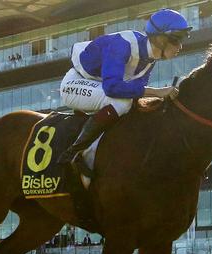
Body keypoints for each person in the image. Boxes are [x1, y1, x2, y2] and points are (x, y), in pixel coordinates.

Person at [58, 8, 191, 163]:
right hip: (75, 83)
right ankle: (73, 152)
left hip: (98, 85)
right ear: (161, 39)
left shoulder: (150, 60)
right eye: (176, 40)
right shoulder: (122, 45)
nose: (180, 47)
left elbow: (135, 93)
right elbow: (112, 88)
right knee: (121, 103)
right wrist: (158, 92)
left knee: (132, 105)